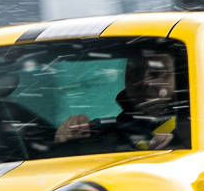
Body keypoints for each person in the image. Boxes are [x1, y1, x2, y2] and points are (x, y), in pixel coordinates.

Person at [53, 47, 184, 152]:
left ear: (179, 80)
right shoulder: (97, 133)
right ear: (126, 79)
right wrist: (65, 142)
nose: (143, 81)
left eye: (157, 71)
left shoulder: (196, 129)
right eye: (135, 72)